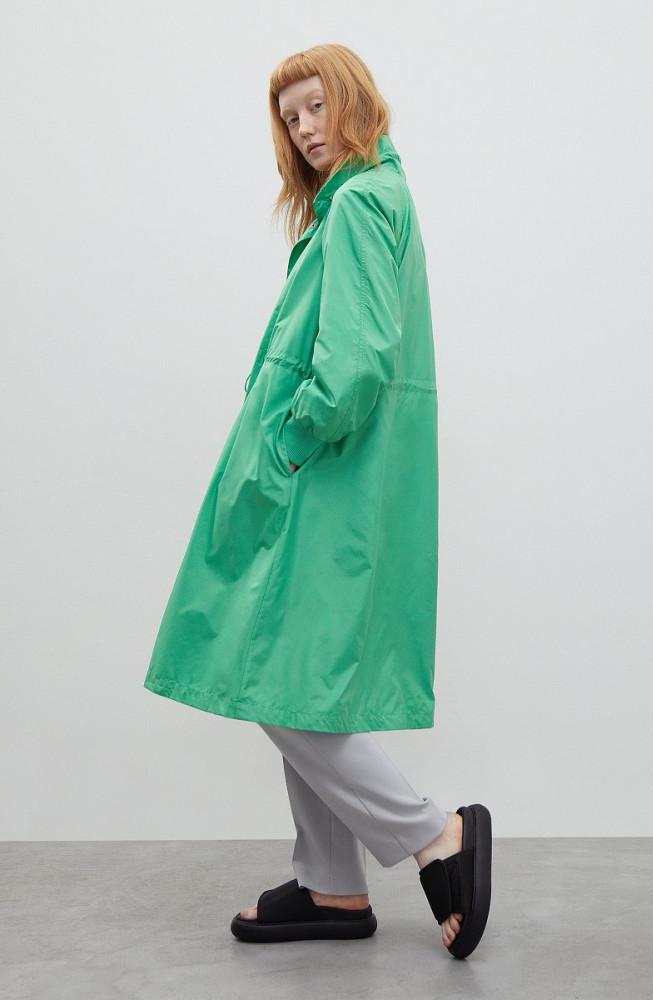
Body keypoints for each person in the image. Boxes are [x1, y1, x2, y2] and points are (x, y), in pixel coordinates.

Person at [143, 43, 492, 958]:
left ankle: (431, 833)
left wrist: (291, 441)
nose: (304, 129)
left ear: (355, 101)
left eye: (316, 106)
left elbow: (357, 362)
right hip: (331, 476)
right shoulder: (360, 201)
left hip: (322, 475)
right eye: (290, 116)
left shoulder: (363, 203)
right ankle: (332, 884)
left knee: (275, 678)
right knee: (299, 679)